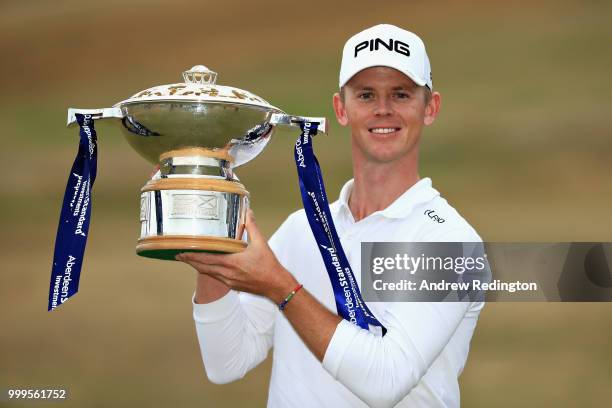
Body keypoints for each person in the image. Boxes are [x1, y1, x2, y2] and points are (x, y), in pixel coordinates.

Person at [176, 23, 484, 408]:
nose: (383, 109)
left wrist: (281, 287)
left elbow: (385, 379)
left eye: (401, 94)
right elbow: (226, 362)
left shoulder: (449, 241)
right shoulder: (301, 229)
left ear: (430, 107)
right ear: (341, 108)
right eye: (366, 94)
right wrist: (212, 260)